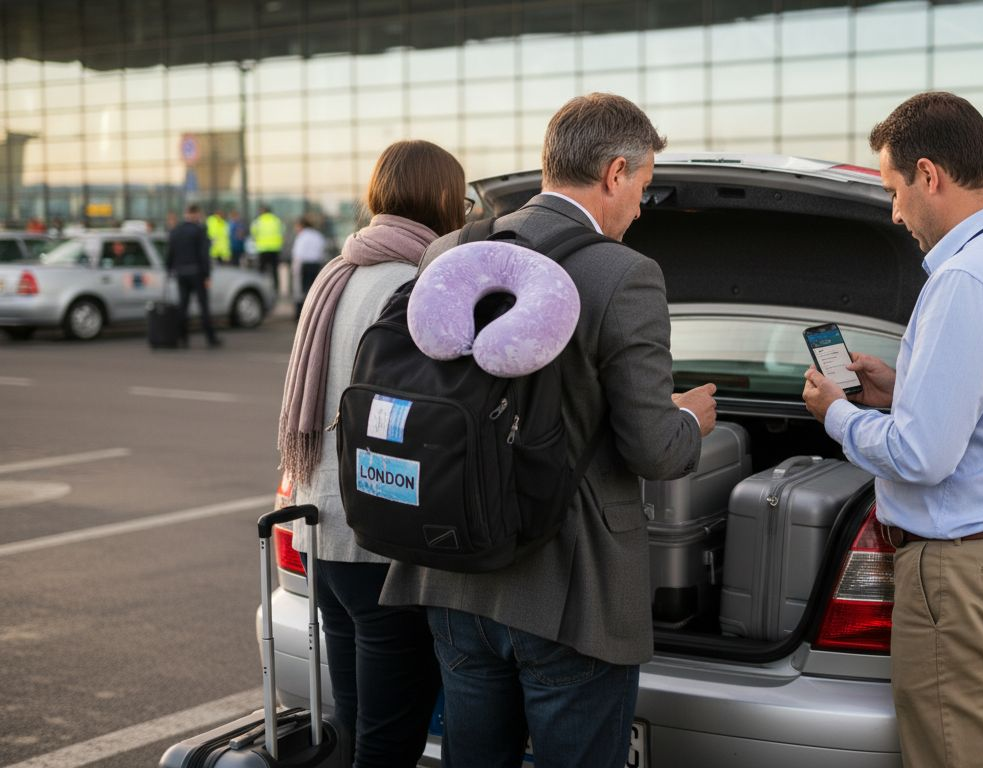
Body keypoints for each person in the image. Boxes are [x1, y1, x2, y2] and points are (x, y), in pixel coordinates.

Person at [380, 93, 718, 768]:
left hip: (453, 570)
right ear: (616, 172)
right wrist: (690, 418)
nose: (640, 208)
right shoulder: (624, 274)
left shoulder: (452, 250)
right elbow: (653, 448)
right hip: (572, 591)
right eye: (644, 188)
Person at [802, 91, 983, 768]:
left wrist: (837, 414)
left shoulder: (965, 281)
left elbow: (921, 456)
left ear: (929, 175)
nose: (894, 212)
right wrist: (902, 389)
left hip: (963, 575)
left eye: (895, 190)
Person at [278, 140, 468, 767]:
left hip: (321, 530)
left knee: (358, 723)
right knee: (391, 738)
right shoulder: (420, 282)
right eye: (460, 198)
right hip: (381, 540)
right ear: (441, 198)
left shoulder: (339, 273)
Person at [164, 204, 221, 349]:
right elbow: (204, 255)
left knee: (183, 306)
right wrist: (207, 275)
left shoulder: (175, 231)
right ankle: (210, 338)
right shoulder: (199, 231)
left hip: (181, 273)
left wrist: (169, 269)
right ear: (196, 214)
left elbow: (169, 253)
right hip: (197, 273)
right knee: (203, 306)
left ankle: (182, 338)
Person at [290, 215, 327, 317]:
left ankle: (301, 314)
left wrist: (295, 269)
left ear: (301, 226)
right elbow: (322, 252)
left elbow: (298, 254)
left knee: (301, 291)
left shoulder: (302, 236)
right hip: (315, 265)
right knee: (313, 290)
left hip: (304, 265)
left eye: (297, 226)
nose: (296, 229)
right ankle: (313, 313)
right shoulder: (318, 235)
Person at [252, 204, 284, 293]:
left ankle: (260, 288)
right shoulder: (276, 220)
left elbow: (253, 232)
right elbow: (282, 231)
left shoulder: (258, 221)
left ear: (262, 211)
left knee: (261, 271)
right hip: (275, 249)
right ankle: (276, 289)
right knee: (274, 271)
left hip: (262, 249)